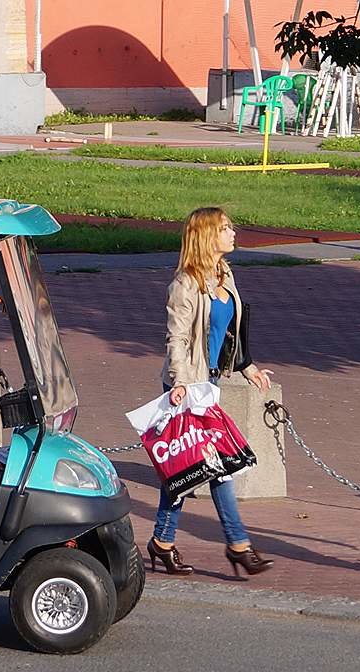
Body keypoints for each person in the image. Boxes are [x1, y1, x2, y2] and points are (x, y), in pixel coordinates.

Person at [148, 207, 275, 577]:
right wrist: (181, 384)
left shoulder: (225, 275)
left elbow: (227, 333)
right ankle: (239, 546)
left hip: (211, 384)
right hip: (188, 386)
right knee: (216, 469)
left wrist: (246, 365)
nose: (233, 233)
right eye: (224, 228)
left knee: (186, 468)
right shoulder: (185, 283)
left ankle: (163, 542)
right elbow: (178, 338)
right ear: (206, 236)